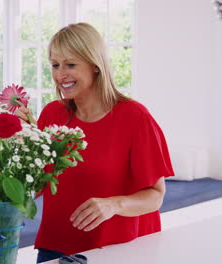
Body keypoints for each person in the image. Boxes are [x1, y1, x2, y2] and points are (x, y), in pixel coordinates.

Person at [15, 22, 174, 263]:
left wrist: (114, 205)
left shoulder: (135, 118)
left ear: (95, 66)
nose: (60, 74)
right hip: (55, 247)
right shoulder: (52, 114)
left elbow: (155, 196)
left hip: (116, 251)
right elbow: (39, 182)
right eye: (55, 65)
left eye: (70, 64)